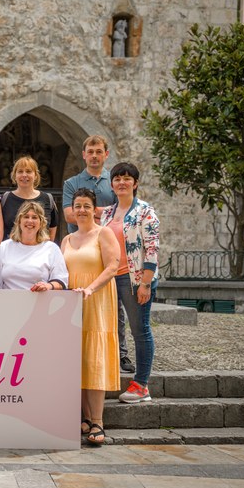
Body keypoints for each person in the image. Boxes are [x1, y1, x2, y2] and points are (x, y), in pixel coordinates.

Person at [63, 135, 131, 374]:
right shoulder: (72, 183)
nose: (94, 156)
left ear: (106, 154)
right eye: (90, 151)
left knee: (113, 306)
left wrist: (91, 212)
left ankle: (120, 353)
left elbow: (122, 212)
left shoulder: (113, 182)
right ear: (84, 155)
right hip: (80, 252)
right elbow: (69, 215)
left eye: (98, 151)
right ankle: (74, 353)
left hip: (108, 247)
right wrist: (105, 211)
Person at [61, 188, 120, 445]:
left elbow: (113, 266)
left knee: (95, 358)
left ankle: (98, 421)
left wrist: (90, 289)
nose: (82, 210)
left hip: (96, 300)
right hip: (73, 303)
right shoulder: (66, 239)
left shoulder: (103, 233)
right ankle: (83, 416)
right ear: (72, 210)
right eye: (78, 206)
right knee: (78, 357)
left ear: (94, 209)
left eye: (86, 206)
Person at [100, 162, 160, 404]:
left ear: (135, 183)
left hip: (134, 280)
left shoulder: (145, 211)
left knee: (140, 330)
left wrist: (146, 283)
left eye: (127, 179)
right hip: (109, 278)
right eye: (117, 179)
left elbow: (152, 249)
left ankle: (141, 385)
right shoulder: (107, 213)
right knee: (110, 329)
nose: (121, 182)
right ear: (111, 184)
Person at [0, 201, 67, 291]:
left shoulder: (52, 248)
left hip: (40, 299)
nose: (30, 221)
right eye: (26, 217)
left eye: (35, 217)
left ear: (41, 223)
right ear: (19, 221)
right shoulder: (4, 247)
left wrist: (48, 286)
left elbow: (61, 280)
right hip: (7, 299)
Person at [1, 156, 59, 241]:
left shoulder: (47, 199)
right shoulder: (5, 199)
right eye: (20, 171)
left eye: (28, 171)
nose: (24, 175)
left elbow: (52, 229)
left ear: (35, 175)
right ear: (14, 175)